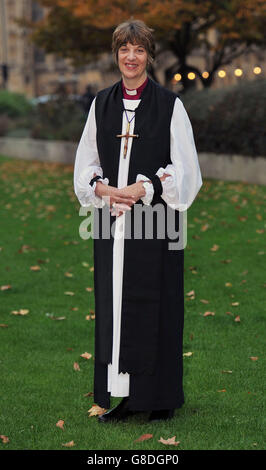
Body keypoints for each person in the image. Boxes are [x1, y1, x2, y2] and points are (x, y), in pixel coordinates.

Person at [73, 19, 203, 423]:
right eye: (124, 50)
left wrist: (143, 189)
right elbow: (86, 162)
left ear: (149, 56)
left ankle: (159, 397)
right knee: (116, 306)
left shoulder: (170, 105)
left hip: (157, 225)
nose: (131, 57)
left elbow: (186, 171)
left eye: (139, 50)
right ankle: (126, 395)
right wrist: (101, 188)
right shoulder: (102, 104)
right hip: (113, 224)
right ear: (116, 55)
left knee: (157, 303)